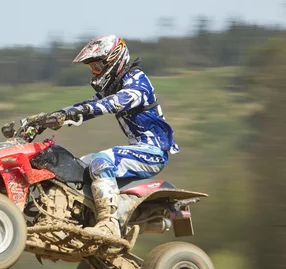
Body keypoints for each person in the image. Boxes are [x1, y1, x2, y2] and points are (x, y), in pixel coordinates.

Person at [18, 35, 180, 240]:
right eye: (92, 68)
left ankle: (109, 225)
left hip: (152, 151)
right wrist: (45, 119)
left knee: (100, 161)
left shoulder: (137, 81)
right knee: (74, 169)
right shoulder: (115, 85)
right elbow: (83, 108)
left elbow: (114, 103)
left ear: (114, 60)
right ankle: (70, 218)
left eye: (98, 66)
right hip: (138, 149)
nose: (96, 72)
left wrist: (71, 114)